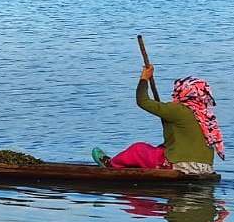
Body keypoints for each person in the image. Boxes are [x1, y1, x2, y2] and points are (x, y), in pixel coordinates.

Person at [92, 64, 225, 175]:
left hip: (182, 166)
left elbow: (142, 101)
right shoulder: (207, 117)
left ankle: (110, 165)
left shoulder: (178, 110)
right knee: (158, 150)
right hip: (206, 168)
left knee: (138, 149)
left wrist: (144, 78)